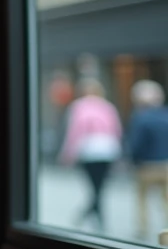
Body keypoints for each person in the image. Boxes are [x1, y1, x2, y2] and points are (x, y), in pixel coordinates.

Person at [59, 78, 122, 231]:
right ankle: (96, 216)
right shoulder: (107, 107)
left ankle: (89, 214)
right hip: (107, 149)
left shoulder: (79, 107)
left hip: (89, 150)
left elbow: (75, 131)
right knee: (99, 186)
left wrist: (68, 152)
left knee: (94, 186)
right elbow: (116, 130)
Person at [128, 80, 168, 239]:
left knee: (142, 199)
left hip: (147, 166)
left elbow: (136, 144)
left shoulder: (141, 118)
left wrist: (133, 160)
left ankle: (142, 229)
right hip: (166, 164)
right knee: (166, 199)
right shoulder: (166, 115)